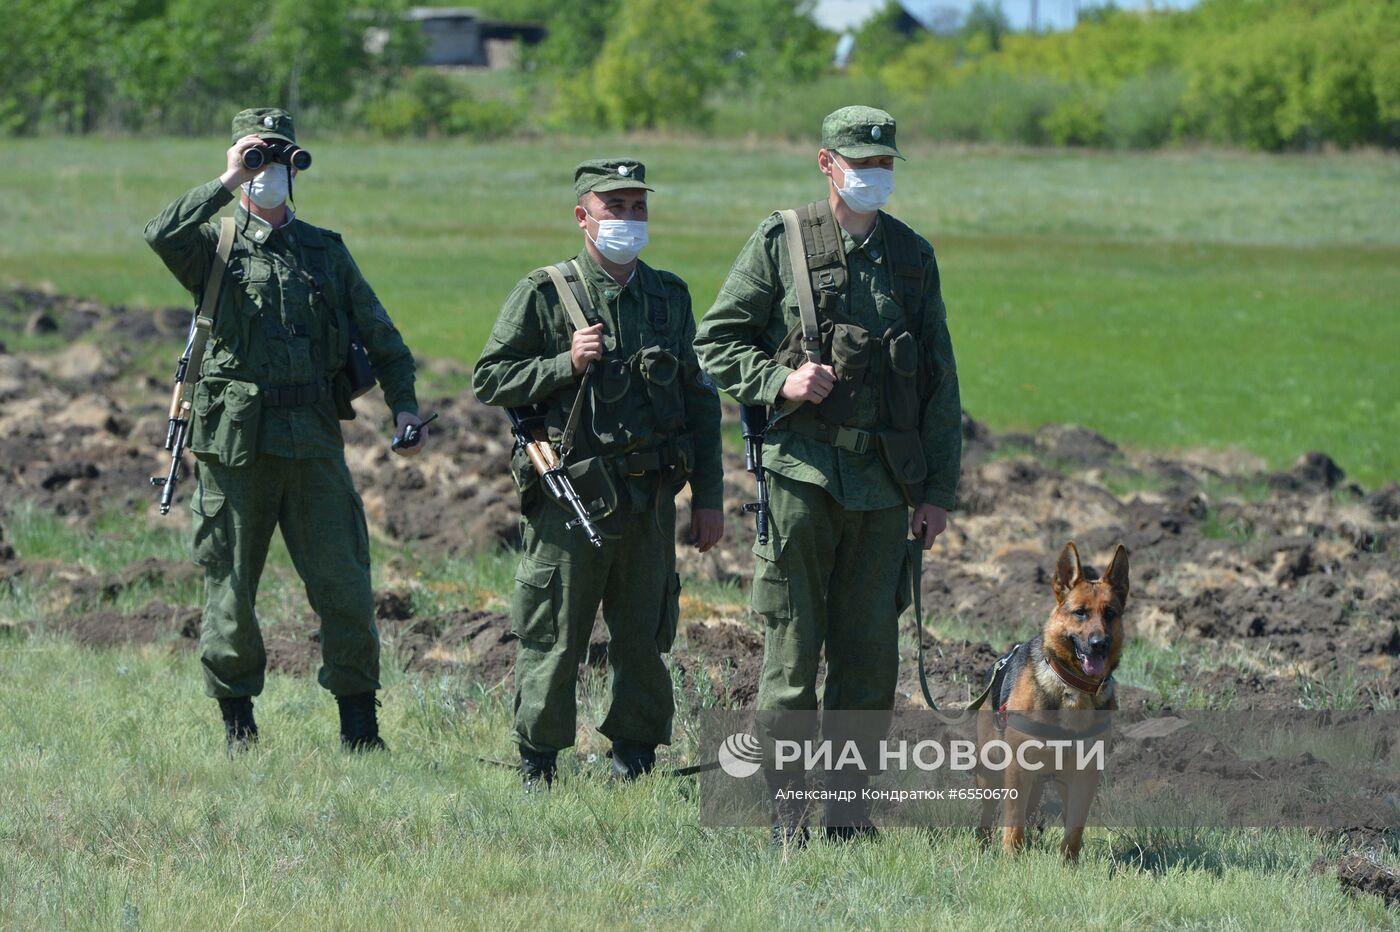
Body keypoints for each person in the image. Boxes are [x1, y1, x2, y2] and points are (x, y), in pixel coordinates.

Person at [694, 107, 962, 843]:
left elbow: (941, 382)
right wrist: (778, 381)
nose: (873, 174)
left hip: (885, 487)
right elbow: (714, 344)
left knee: (869, 661)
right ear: (826, 162)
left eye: (884, 163)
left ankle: (847, 810)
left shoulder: (912, 257)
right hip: (800, 479)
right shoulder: (781, 242)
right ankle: (786, 813)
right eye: (859, 161)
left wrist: (939, 493)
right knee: (791, 654)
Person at [144, 108, 426, 754]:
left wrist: (404, 405)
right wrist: (227, 177)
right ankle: (238, 727)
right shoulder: (212, 244)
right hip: (235, 446)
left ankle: (360, 728)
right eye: (257, 158)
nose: (269, 172)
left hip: (314, 440)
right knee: (230, 588)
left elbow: (383, 338)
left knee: (345, 583)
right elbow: (159, 231)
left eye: (280, 159)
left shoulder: (324, 250)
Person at [472, 159, 723, 786]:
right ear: (583, 218)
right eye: (615, 208)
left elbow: (699, 401)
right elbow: (490, 379)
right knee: (556, 633)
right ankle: (539, 763)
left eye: (639, 207)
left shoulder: (670, 296)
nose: (630, 219)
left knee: (645, 635)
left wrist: (709, 497)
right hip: (572, 498)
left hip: (649, 498)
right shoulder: (544, 292)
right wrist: (564, 363)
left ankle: (634, 758)